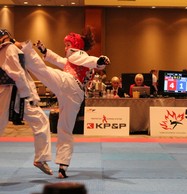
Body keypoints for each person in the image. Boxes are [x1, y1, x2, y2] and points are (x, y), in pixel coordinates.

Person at [17, 27, 110, 178]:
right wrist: (45, 50)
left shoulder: (78, 54)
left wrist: (99, 61)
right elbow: (59, 60)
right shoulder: (72, 60)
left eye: (67, 44)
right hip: (76, 96)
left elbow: (87, 60)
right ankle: (63, 166)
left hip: (69, 83)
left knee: (43, 71)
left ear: (75, 46)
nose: (65, 48)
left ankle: (25, 49)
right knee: (65, 129)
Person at [0, 29, 53, 176]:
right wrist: (26, 93)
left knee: (41, 121)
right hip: (13, 92)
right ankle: (41, 158)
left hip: (11, 91)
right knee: (41, 121)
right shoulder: (8, 49)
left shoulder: (9, 48)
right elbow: (17, 73)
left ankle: (41, 158)